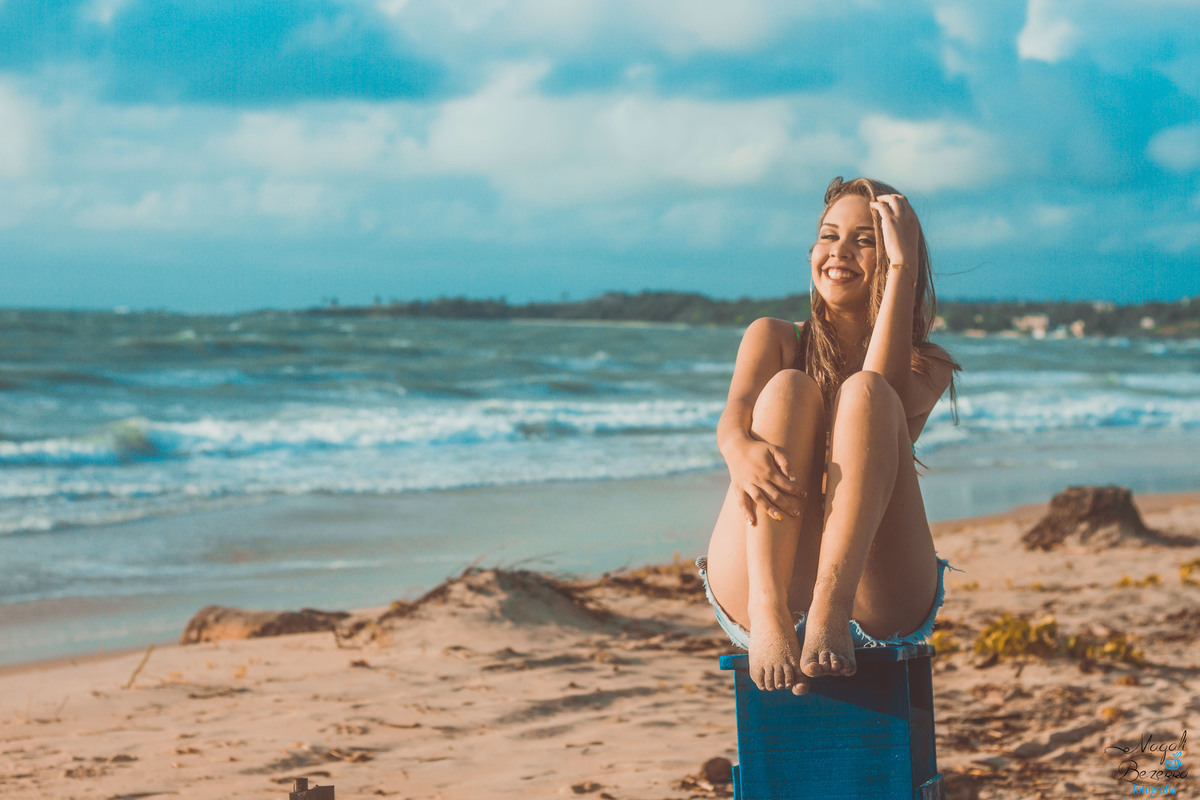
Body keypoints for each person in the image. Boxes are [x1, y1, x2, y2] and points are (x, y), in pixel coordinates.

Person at [697, 176, 960, 695]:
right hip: (762, 581)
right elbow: (732, 419)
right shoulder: (772, 336)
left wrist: (903, 270)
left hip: (868, 591)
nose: (839, 251)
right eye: (828, 235)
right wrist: (740, 450)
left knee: (864, 394)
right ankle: (769, 610)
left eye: (865, 241)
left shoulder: (929, 365)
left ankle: (830, 605)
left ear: (895, 258)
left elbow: (878, 392)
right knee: (790, 388)